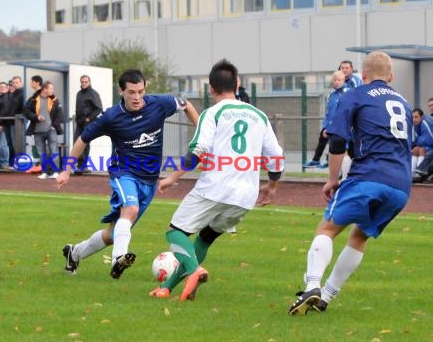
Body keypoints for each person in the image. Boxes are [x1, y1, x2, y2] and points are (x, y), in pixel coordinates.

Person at [288, 51, 412, 316]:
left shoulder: (354, 95)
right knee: (360, 235)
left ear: (362, 75)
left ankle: (312, 285)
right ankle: (327, 296)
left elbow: (337, 141)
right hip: (401, 185)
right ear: (391, 76)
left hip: (369, 176)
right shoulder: (403, 102)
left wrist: (332, 180)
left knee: (328, 228)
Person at [149, 59, 284, 301]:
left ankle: (194, 270)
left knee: (175, 232)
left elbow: (198, 149)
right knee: (206, 238)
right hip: (245, 195)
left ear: (211, 87)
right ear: (238, 84)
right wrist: (272, 187)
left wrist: (173, 177)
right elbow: (276, 155)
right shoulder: (259, 115)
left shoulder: (213, 113)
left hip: (215, 188)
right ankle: (166, 288)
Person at [57, 69, 199, 279]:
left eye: (140, 91)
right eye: (131, 92)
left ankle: (74, 252)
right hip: (124, 173)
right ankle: (118, 260)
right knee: (130, 209)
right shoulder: (111, 116)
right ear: (121, 91)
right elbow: (82, 139)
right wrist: (66, 169)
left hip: (149, 180)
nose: (137, 97)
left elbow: (186, 105)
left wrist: (201, 133)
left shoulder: (159, 104)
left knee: (113, 234)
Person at [304, 70, 348, 168]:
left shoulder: (347, 94)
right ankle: (318, 160)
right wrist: (326, 126)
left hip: (341, 128)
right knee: (325, 139)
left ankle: (337, 169)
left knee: (342, 149)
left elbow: (342, 113)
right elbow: (329, 112)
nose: (336, 82)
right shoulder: (332, 95)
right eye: (335, 80)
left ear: (344, 80)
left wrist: (332, 127)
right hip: (331, 125)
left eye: (339, 80)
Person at [23, 81, 64, 179]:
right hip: (37, 131)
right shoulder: (33, 99)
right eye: (51, 89)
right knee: (42, 153)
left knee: (54, 151)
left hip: (51, 130)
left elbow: (60, 114)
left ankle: (56, 172)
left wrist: (54, 125)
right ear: (45, 89)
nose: (52, 91)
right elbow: (26, 111)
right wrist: (36, 117)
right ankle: (45, 172)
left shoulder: (55, 100)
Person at [74, 75, 103, 173]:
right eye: (82, 82)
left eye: (86, 82)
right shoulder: (79, 94)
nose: (84, 83)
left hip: (88, 122)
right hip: (79, 122)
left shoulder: (93, 93)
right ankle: (80, 165)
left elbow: (99, 109)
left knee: (84, 143)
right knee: (76, 142)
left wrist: (89, 118)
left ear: (89, 82)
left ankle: (83, 166)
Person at [0, 81, 11, 169]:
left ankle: (4, 163)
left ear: (7, 88)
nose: (2, 88)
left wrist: (1, 123)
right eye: (0, 87)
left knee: (3, 145)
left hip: (3, 124)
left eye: (4, 87)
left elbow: (5, 112)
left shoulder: (8, 98)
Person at [410, 108, 433, 172]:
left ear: (422, 116)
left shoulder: (425, 122)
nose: (414, 120)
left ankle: (420, 174)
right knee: (415, 149)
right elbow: (413, 141)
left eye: (416, 117)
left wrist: (418, 144)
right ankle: (412, 174)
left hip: (430, 146)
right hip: (429, 146)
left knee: (421, 149)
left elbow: (429, 140)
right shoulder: (415, 124)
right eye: (413, 117)